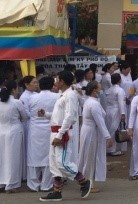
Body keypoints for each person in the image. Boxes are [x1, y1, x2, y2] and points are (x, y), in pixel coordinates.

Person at [39, 70, 92, 202]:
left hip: (62, 133)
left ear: (62, 81)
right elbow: (59, 116)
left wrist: (60, 134)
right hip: (56, 132)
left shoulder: (70, 95)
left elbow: (70, 117)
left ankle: (83, 181)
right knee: (54, 164)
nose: (55, 82)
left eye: (57, 80)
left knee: (62, 163)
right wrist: (45, 114)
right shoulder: (63, 95)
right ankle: (57, 192)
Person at [79, 81, 113, 193]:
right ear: (94, 90)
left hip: (89, 131)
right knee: (89, 158)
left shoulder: (90, 101)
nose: (101, 90)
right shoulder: (93, 103)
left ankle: (87, 181)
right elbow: (100, 122)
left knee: (89, 157)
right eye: (99, 88)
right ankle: (87, 183)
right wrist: (108, 136)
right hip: (91, 133)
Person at [0, 80, 27, 193]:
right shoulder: (16, 102)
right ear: (13, 90)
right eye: (17, 88)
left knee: (0, 157)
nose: (18, 90)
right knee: (13, 157)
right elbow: (25, 116)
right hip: (13, 131)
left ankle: (0, 183)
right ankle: (11, 184)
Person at [27, 76, 59, 193]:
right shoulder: (57, 97)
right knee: (48, 156)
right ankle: (46, 184)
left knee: (33, 156)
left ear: (40, 85)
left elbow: (29, 112)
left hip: (35, 129)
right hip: (49, 129)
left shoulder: (32, 97)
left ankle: (33, 185)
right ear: (52, 86)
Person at [104, 73, 127, 156]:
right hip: (117, 111)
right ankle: (113, 149)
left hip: (109, 110)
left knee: (110, 128)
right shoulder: (120, 90)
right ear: (119, 80)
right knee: (115, 129)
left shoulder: (108, 90)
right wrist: (123, 113)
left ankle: (108, 147)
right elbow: (121, 103)